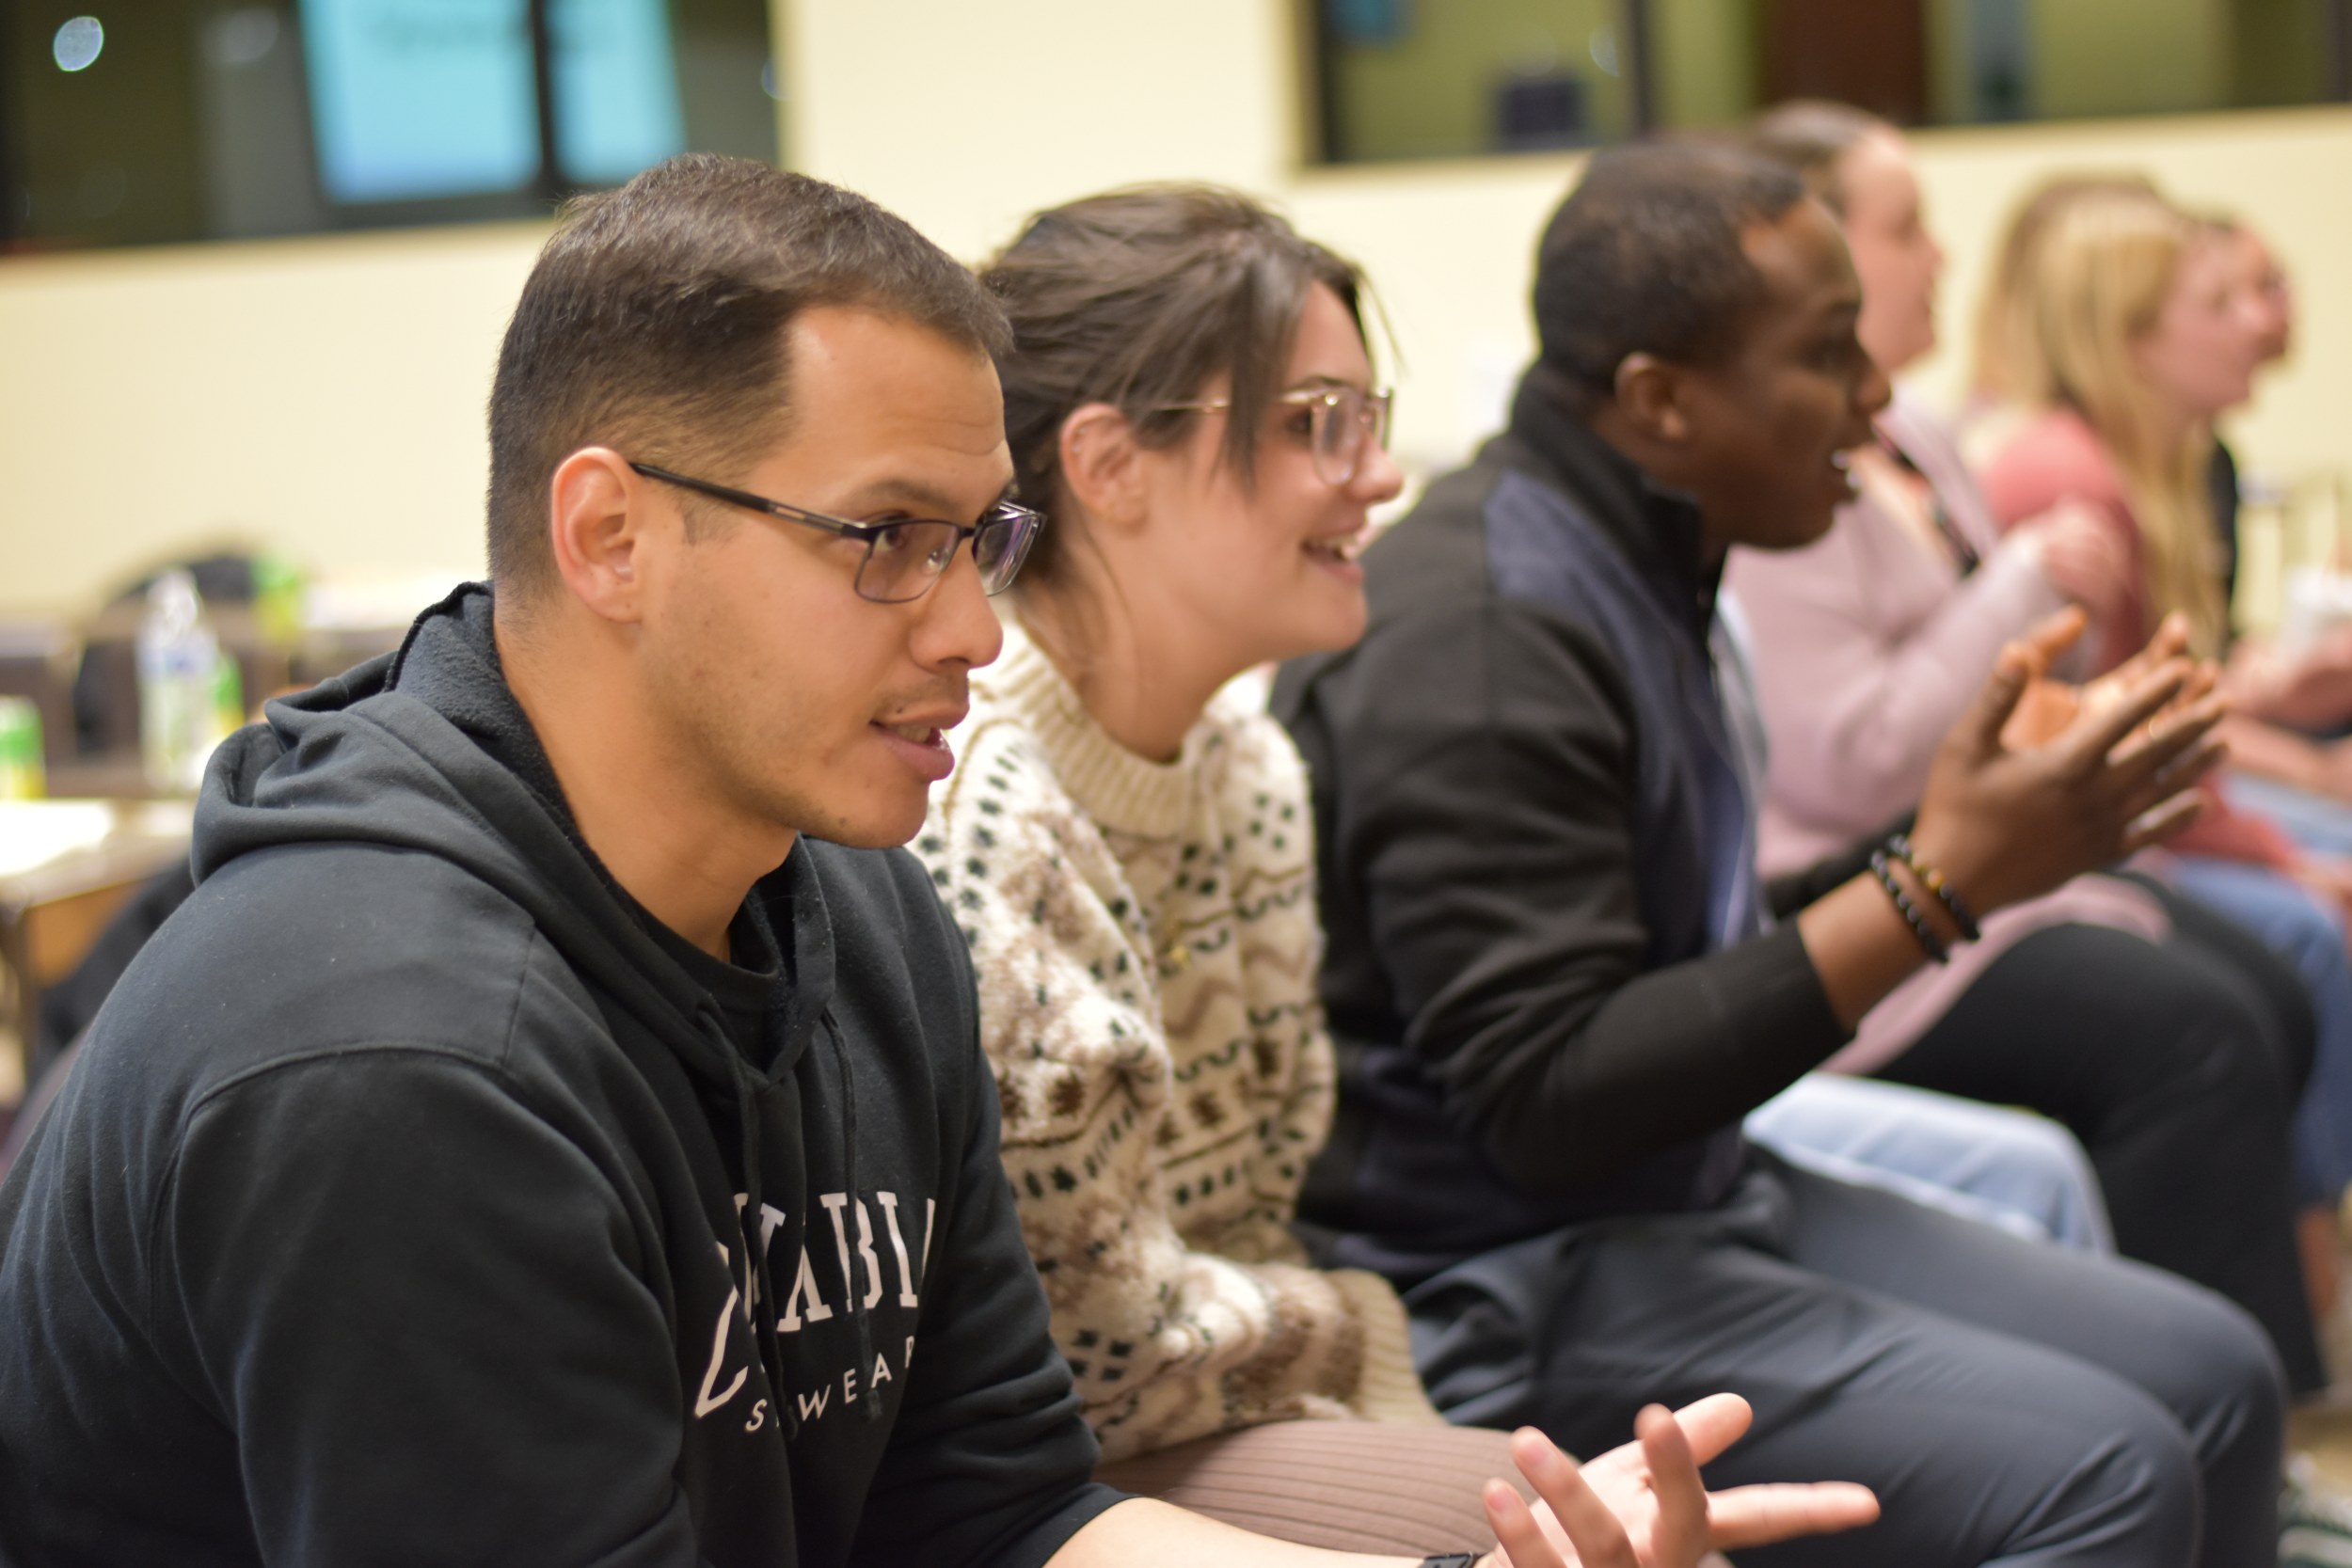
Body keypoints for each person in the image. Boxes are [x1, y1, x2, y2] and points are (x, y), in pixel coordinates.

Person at [0, 154, 1855, 1568]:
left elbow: (1015, 1517)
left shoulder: (857, 903)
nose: (976, 629)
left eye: (983, 537)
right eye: (887, 538)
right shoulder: (401, 1066)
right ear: (611, 532)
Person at [918, 182, 2023, 1560]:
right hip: (1084, 1464)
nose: (1379, 474)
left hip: (1265, 1376)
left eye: (1371, 419)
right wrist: (1361, 1349)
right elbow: (1091, 1355)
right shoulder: (982, 821)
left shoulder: (1250, 772)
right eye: (1320, 422)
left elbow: (1256, 1211)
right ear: (1109, 464)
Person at [1273, 139, 2289, 1568]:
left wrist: (1946, 845)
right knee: (2105, 1470)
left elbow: (1692, 954)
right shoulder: (1491, 630)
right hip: (1503, 1277)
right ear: (1660, 401)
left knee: (2218, 1373)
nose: (1878, 402)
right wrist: (1944, 885)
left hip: (1677, 1199)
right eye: (1828, 358)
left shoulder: (1644, 554)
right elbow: (1551, 1096)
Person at [1728, 101, 2330, 1386]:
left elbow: (2038, 698)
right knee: (2202, 1029)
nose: (1943, 257)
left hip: (1988, 866)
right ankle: (2221, 1408)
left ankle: (2260, 1387)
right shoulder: (1781, 475)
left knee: (2267, 986)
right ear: (1816, 252)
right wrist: (2019, 587)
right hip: (1860, 903)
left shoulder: (1919, 438)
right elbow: (1857, 758)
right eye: (1907, 229)